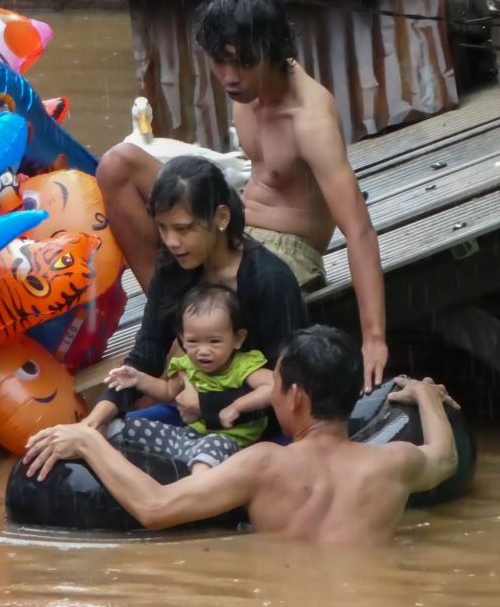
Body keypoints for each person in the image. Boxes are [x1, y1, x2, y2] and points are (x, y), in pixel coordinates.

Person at [97, 0, 389, 394]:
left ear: (272, 52)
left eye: (244, 63)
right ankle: (176, 323)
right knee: (117, 167)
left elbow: (359, 229)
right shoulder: (245, 92)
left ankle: (195, 338)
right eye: (220, 63)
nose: (230, 77)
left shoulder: (309, 119)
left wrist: (373, 338)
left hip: (288, 250)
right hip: (237, 223)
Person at [22, 325, 461, 546]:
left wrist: (88, 441)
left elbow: (155, 507)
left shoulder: (264, 464)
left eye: (277, 385)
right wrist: (425, 393)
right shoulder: (396, 463)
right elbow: (445, 458)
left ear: (298, 398)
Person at [51, 155, 308, 445]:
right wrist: (96, 418)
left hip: (258, 432)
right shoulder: (173, 269)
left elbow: (290, 388)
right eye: (163, 228)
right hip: (195, 422)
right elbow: (148, 352)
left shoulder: (271, 281)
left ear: (221, 218)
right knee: (109, 438)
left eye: (184, 229)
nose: (172, 242)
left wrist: (209, 406)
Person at [105, 283, 274, 473]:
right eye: (193, 341)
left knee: (209, 452)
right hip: (189, 438)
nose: (203, 351)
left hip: (231, 446)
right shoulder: (187, 364)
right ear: (182, 338)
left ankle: (197, 490)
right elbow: (167, 390)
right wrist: (138, 379)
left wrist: (237, 406)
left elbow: (273, 386)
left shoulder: (242, 366)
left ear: (238, 339)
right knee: (117, 428)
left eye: (215, 341)